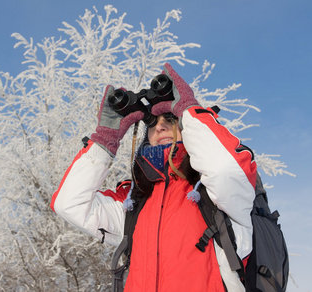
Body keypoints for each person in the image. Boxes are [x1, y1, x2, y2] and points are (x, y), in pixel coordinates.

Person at [51, 63, 257, 291]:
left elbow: (225, 169)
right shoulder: (135, 204)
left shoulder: (215, 193)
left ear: (186, 126)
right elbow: (69, 204)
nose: (159, 128)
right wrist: (105, 139)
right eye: (153, 124)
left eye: (170, 120)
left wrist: (188, 108)